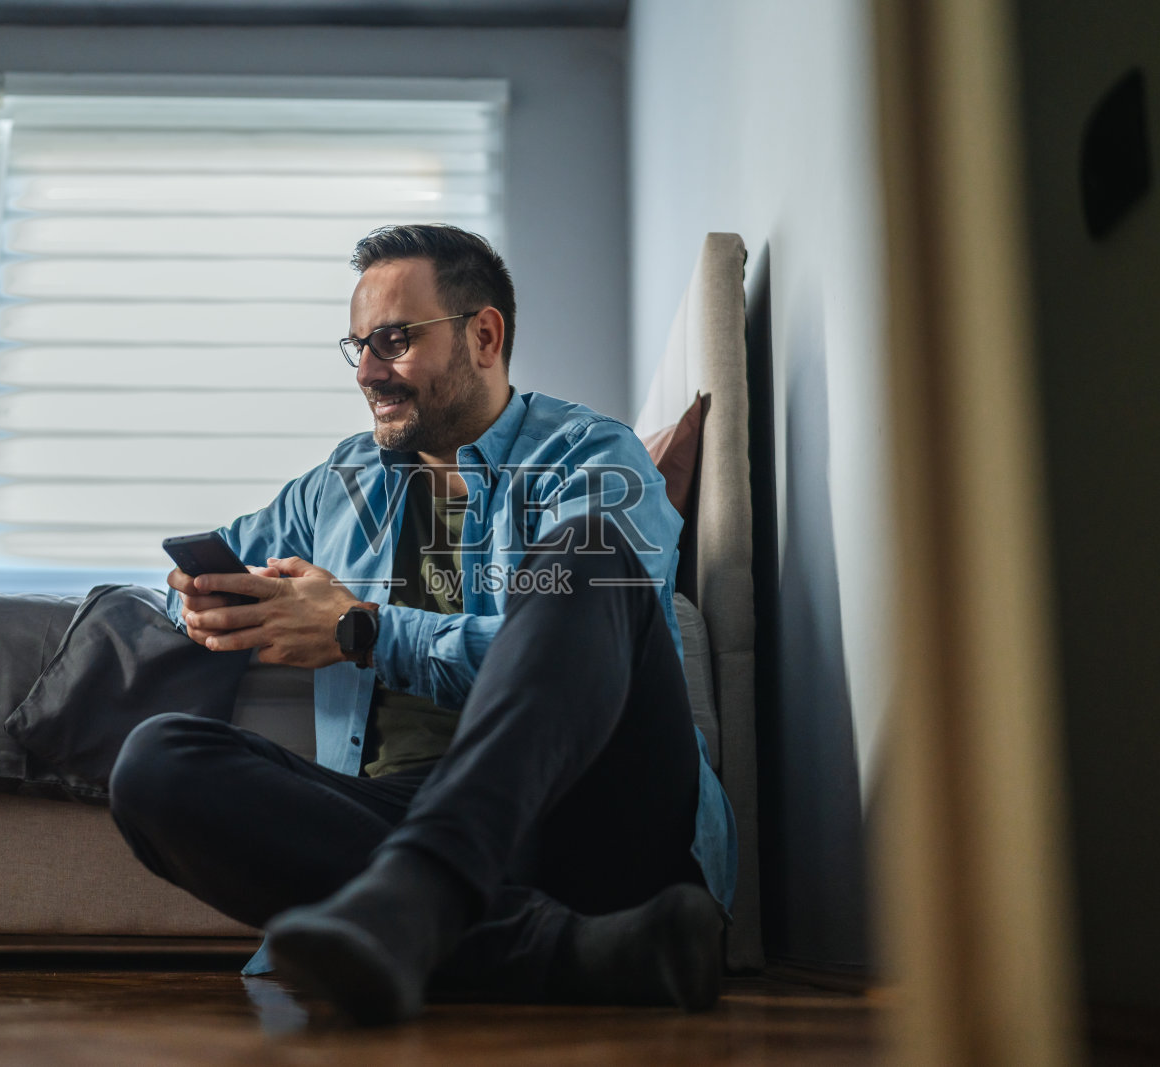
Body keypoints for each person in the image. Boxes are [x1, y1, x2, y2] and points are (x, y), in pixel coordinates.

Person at [108, 224, 738, 1024]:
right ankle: (573, 953)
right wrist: (200, 599)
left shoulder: (591, 458)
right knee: (156, 763)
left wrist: (360, 630)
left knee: (586, 556)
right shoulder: (338, 484)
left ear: (484, 334)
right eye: (359, 346)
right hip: (397, 819)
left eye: (395, 341)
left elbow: (588, 645)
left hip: (589, 808)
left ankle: (426, 891)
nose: (369, 370)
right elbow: (205, 571)